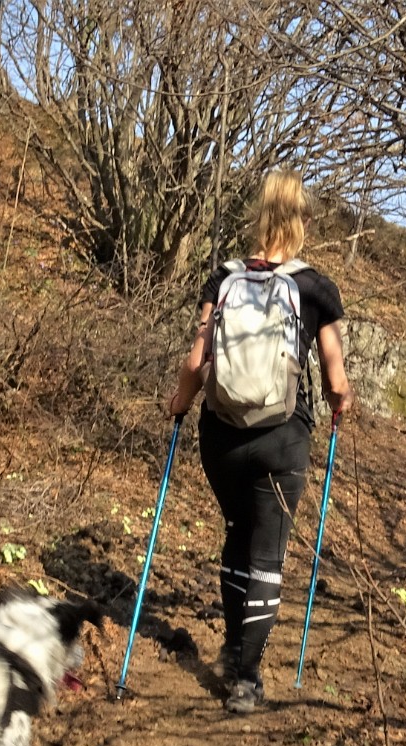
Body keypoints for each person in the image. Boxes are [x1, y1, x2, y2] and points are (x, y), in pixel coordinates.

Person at [166, 170, 354, 714]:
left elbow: (196, 363)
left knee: (237, 532)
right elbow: (336, 378)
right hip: (282, 438)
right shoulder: (315, 287)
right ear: (301, 221)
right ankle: (246, 678)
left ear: (258, 214)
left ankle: (231, 645)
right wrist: (340, 404)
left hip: (220, 437)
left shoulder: (224, 276)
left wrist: (179, 404)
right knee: (267, 553)